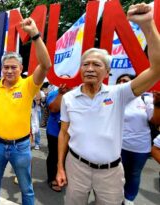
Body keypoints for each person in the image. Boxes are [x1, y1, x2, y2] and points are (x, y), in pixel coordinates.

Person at [57, 3, 160, 205]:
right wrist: (60, 166)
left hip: (111, 172)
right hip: (76, 166)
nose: (90, 68)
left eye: (97, 64)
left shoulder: (120, 93)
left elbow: (156, 70)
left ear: (107, 72)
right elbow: (64, 132)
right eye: (85, 64)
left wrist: (148, 26)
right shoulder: (69, 97)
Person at [0, 17, 51, 205]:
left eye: (14, 67)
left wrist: (35, 35)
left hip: (20, 147)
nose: (9, 70)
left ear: (21, 68)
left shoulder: (28, 85)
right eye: (6, 67)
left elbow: (45, 65)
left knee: (26, 187)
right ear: (1, 69)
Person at [116, 74, 160, 205]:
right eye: (119, 81)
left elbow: (156, 121)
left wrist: (157, 104)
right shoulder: (113, 98)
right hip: (118, 146)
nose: (122, 83)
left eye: (126, 81)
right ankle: (115, 198)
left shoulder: (145, 98)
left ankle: (129, 199)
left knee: (134, 174)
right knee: (117, 175)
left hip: (140, 148)